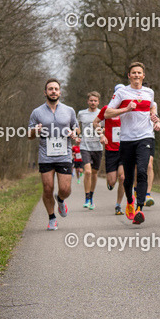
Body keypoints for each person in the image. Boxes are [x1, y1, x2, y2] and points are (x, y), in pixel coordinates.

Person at [103, 62, 160, 225]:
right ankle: (130, 201)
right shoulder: (121, 93)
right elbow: (107, 113)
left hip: (145, 137)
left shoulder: (149, 92)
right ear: (129, 76)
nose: (136, 75)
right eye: (133, 73)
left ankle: (139, 209)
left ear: (143, 75)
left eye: (139, 73)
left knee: (142, 170)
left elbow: (152, 109)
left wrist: (156, 120)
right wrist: (125, 109)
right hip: (127, 139)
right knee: (127, 177)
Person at [28, 79, 79, 230]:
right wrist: (35, 130)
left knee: (65, 189)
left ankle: (61, 200)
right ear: (45, 92)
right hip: (46, 155)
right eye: (50, 89)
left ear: (60, 92)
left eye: (56, 89)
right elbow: (29, 135)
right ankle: (52, 218)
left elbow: (76, 128)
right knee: (47, 188)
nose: (53, 91)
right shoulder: (37, 112)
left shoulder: (69, 110)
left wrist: (74, 133)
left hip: (64, 154)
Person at [96, 85, 126, 215]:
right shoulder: (106, 110)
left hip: (124, 149)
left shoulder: (128, 110)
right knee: (112, 181)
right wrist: (101, 135)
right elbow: (95, 123)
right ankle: (110, 183)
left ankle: (118, 205)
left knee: (123, 177)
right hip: (111, 150)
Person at [77, 92, 103, 209]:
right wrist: (78, 135)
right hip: (85, 146)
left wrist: (102, 133)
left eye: (95, 101)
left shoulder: (102, 113)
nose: (93, 103)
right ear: (88, 101)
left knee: (94, 173)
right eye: (91, 100)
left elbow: (106, 127)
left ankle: (91, 196)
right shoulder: (81, 113)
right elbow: (77, 126)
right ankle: (87, 198)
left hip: (97, 146)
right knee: (87, 172)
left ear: (98, 102)